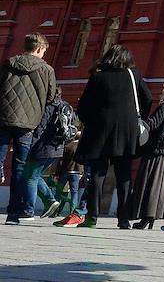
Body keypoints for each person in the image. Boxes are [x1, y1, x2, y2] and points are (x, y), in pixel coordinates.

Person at [66, 44, 150, 229]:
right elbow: (147, 98)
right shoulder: (133, 75)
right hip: (126, 132)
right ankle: (124, 219)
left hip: (100, 131)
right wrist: (135, 117)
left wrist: (92, 121)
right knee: (124, 176)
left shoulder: (98, 76)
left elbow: (84, 106)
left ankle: (92, 217)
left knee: (97, 175)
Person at [1, 33, 56, 224]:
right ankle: (13, 214)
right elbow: (51, 98)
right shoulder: (46, 69)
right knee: (20, 169)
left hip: (3, 119)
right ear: (40, 49)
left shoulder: (8, 63)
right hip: (28, 124)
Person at [130, 81, 164, 230]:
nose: (161, 95)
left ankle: (145, 217)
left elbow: (152, 125)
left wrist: (139, 120)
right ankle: (152, 217)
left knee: (149, 183)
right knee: (161, 185)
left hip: (155, 152)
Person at [17, 86, 74, 223]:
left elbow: (39, 130)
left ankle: (29, 210)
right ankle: (50, 200)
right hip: (57, 148)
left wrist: (29, 147)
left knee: (31, 177)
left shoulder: (46, 108)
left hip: (43, 147)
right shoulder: (64, 105)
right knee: (34, 176)